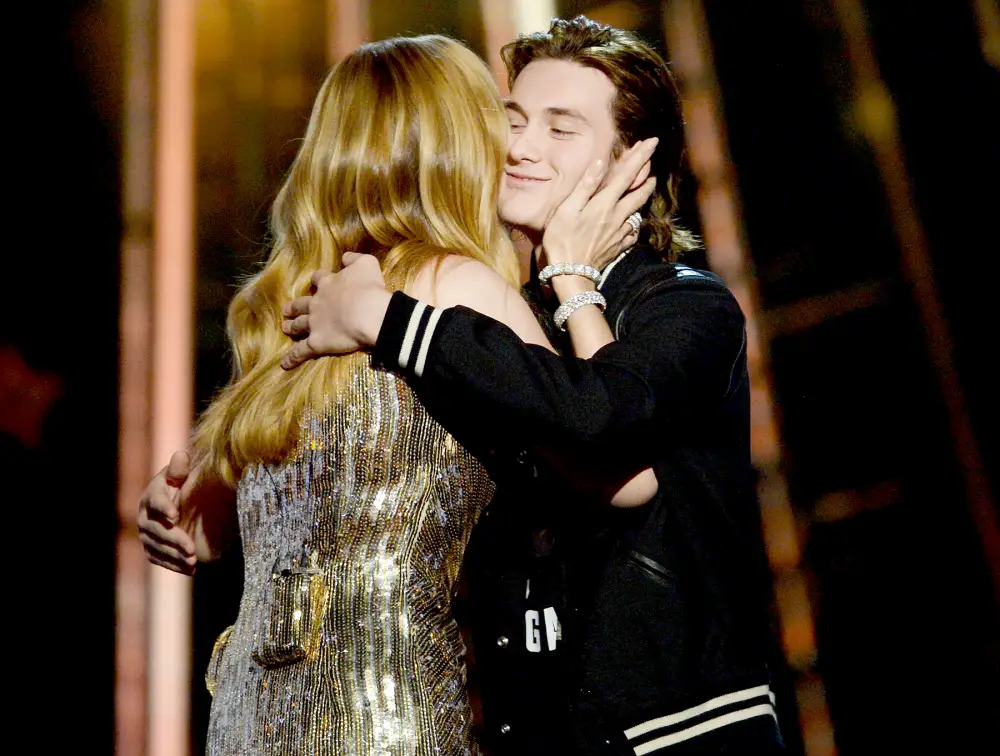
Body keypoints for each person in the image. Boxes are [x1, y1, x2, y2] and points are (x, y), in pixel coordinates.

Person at [279, 16, 785, 756]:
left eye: (561, 128)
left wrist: (390, 317)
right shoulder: (504, 321)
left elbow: (602, 418)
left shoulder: (686, 307)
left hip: (682, 736)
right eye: (513, 119)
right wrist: (212, 482)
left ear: (632, 166)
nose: (519, 148)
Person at [137, 32, 654, 755]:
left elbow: (212, 527)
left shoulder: (295, 312)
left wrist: (177, 508)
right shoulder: (456, 289)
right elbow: (623, 467)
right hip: (380, 722)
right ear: (458, 145)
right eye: (497, 125)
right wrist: (574, 276)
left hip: (246, 726)